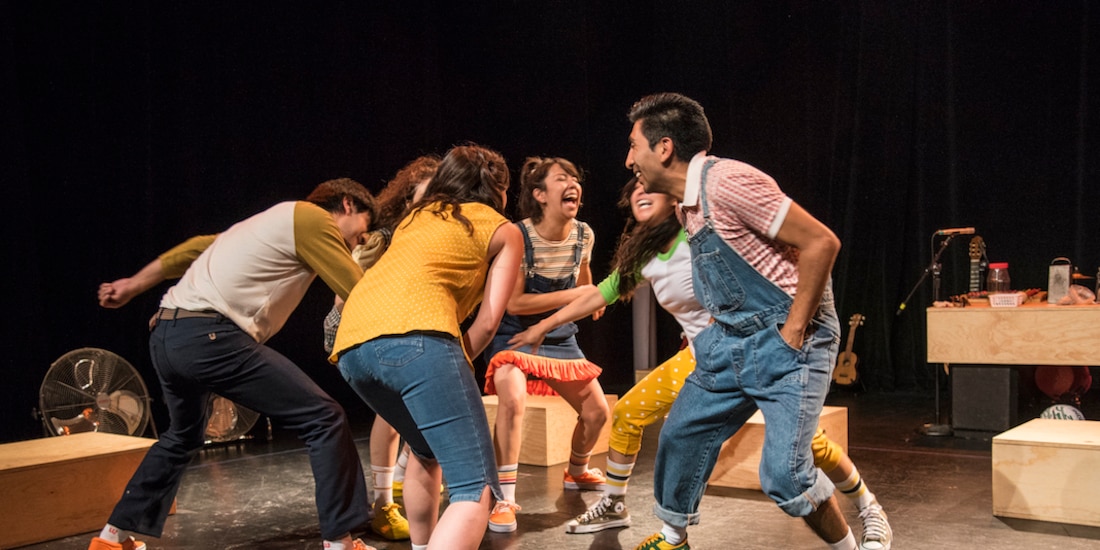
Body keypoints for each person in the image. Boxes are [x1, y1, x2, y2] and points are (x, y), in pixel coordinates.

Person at [510, 178, 892, 549]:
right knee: (632, 413)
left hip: (756, 348)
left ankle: (867, 505)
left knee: (806, 449)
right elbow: (598, 295)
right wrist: (542, 326)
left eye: (650, 187)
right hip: (703, 358)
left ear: (672, 196)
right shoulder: (643, 255)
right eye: (635, 189)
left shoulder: (698, 232)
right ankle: (620, 505)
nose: (641, 191)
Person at [621, 92, 856, 550]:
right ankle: (673, 539)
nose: (629, 159)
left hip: (788, 340)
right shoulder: (686, 203)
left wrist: (792, 331)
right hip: (730, 341)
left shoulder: (726, 181)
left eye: (635, 145)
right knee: (680, 434)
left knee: (784, 476)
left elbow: (821, 243)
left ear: (664, 147)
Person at [93, 178, 379, 550]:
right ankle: (340, 542)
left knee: (182, 437)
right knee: (324, 417)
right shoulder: (312, 218)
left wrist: (132, 285)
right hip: (211, 336)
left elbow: (193, 249)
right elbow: (357, 289)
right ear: (347, 205)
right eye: (362, 231)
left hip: (166, 334)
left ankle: (111, 539)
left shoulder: (261, 225)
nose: (359, 242)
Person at [331, 144, 523, 550]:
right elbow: (488, 323)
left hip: (353, 349)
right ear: (500, 190)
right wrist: (447, 368)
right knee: (476, 489)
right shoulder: (505, 229)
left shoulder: (416, 216)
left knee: (425, 450)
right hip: (421, 337)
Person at [481, 156, 611, 533]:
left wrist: (590, 298)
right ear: (539, 194)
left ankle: (577, 470)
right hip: (515, 336)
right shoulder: (518, 236)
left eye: (574, 177)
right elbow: (515, 303)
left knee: (597, 413)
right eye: (561, 178)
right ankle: (503, 497)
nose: (572, 183)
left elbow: (584, 279)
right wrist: (574, 295)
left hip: (560, 338)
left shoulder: (583, 234)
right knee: (513, 401)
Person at [321, 155, 440, 542]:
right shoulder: (385, 238)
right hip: (358, 329)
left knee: (412, 408)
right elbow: (349, 284)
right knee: (391, 412)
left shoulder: (426, 236)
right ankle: (383, 503)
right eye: (429, 193)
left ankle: (404, 478)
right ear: (408, 199)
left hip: (393, 328)